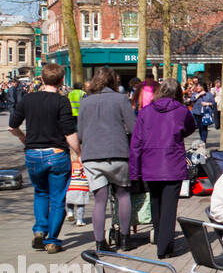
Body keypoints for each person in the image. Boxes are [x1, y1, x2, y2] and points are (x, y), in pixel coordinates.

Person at [8, 62, 81, 254]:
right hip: (56, 154)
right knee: (57, 199)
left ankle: (40, 229)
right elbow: (69, 132)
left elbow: (12, 126)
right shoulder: (61, 101)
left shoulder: (28, 99)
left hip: (33, 154)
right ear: (62, 80)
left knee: (40, 193)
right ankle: (52, 240)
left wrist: (24, 138)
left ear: (41, 79)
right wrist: (79, 153)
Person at [129, 78, 196, 259]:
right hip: (172, 163)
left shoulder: (145, 112)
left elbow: (136, 143)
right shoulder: (182, 111)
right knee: (169, 207)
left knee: (156, 204)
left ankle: (160, 238)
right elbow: (191, 127)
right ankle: (164, 247)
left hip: (150, 164)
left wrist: (134, 171)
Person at [77, 67, 136, 252]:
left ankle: (99, 243)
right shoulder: (120, 99)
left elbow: (79, 132)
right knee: (123, 195)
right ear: (113, 81)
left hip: (92, 155)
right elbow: (133, 127)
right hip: (117, 152)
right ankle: (126, 239)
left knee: (100, 199)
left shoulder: (85, 102)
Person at [190, 78, 218, 144]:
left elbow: (213, 103)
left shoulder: (209, 94)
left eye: (200, 86)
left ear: (203, 86)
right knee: (200, 128)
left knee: (204, 127)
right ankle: (202, 139)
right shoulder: (195, 94)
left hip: (205, 113)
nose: (198, 87)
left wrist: (207, 104)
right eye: (197, 86)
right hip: (197, 113)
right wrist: (199, 94)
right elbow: (192, 99)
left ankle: (203, 141)